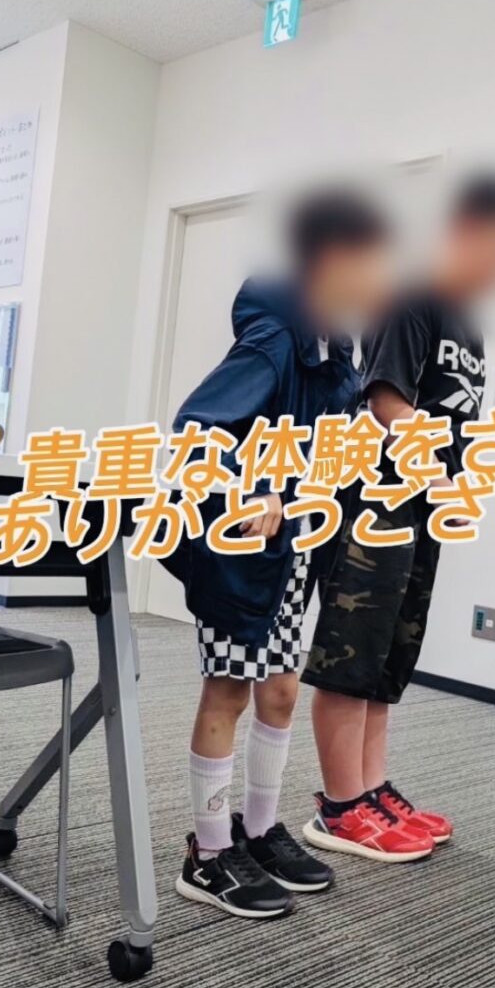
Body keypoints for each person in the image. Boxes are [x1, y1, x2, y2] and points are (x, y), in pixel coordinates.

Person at [300, 173, 495, 862]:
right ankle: (339, 807)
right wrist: (436, 473)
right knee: (351, 652)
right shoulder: (409, 295)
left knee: (388, 655)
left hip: (422, 510)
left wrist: (459, 484)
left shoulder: (467, 320)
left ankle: (371, 788)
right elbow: (387, 402)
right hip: (376, 503)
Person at [170, 188, 393, 916]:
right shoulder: (273, 342)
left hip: (292, 555)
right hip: (238, 554)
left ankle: (259, 831)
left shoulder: (333, 354)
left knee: (281, 690)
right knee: (229, 692)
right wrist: (251, 489)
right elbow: (198, 428)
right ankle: (207, 854)